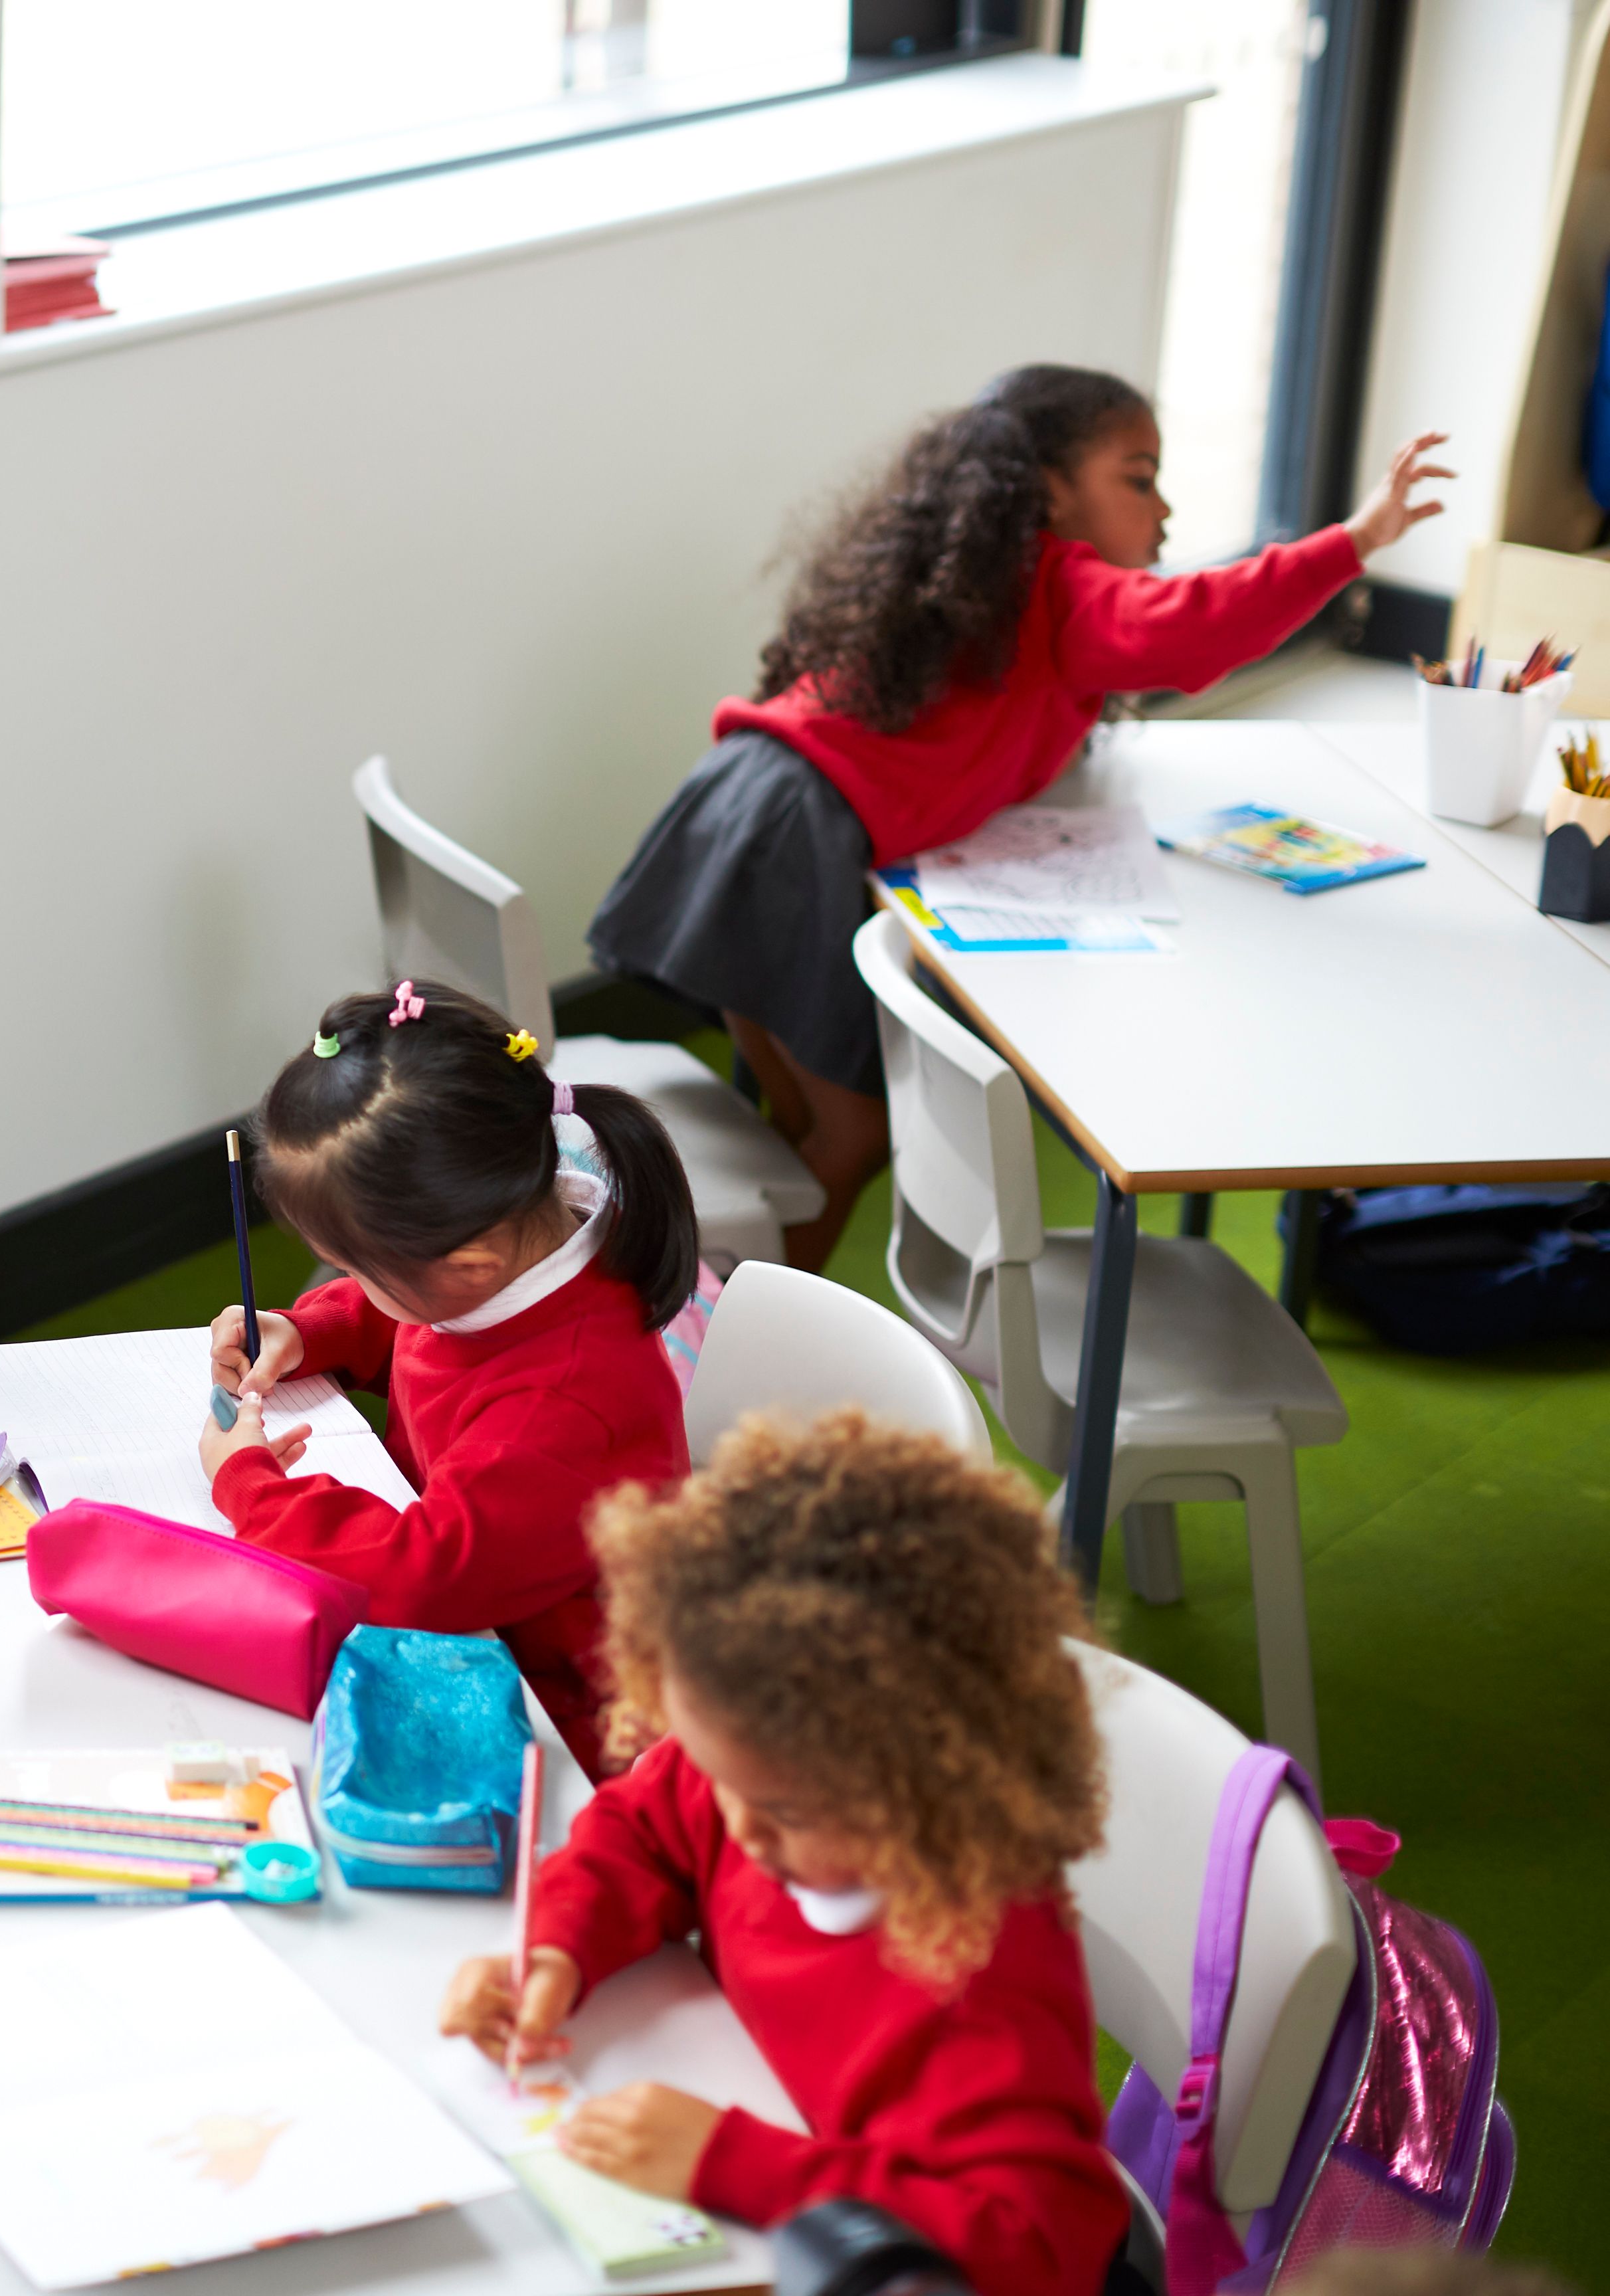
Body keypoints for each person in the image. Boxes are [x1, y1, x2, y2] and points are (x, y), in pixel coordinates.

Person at [588, 363, 1453, 1268]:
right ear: (1049, 489)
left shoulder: (976, 579)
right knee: (847, 1141)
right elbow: (1191, 627)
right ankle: (721, 1356)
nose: (1164, 512)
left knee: (804, 1134)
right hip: (791, 837)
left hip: (742, 802)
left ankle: (709, 1336)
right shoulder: (1058, 584)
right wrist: (1356, 540)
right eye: (1138, 477)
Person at [438, 1413, 1118, 2296]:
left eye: (782, 1810)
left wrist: (740, 2167)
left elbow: (1036, 2252)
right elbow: (647, 1828)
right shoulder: (765, 1761)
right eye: (722, 1779)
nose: (743, 1833)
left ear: (921, 1782)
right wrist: (560, 1945)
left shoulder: (981, 1978)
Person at [199, 981, 695, 1774]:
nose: (353, 1285)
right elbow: (415, 1317)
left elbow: (420, 1576)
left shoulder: (563, 1407)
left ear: (469, 1264)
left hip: (560, 1717)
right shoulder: (507, 1243)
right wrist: (309, 1330)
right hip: (481, 1628)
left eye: (359, 1269)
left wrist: (250, 1485)